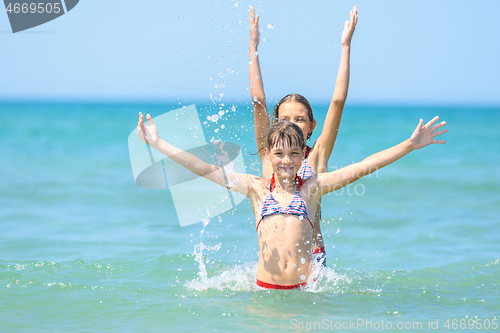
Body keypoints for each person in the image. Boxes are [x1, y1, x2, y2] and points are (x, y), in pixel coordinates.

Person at [137, 112, 447, 290]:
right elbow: (202, 167)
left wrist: (409, 144)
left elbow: (364, 166)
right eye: (279, 154)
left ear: (303, 156)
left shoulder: (312, 190)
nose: (287, 160)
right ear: (269, 156)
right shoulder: (257, 190)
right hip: (265, 291)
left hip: (303, 293)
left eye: (294, 154)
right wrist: (157, 142)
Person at [249, 6, 358, 264]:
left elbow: (338, 101)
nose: (293, 125)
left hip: (313, 259)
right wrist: (253, 48)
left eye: (300, 119)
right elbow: (257, 101)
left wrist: (345, 46)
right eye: (285, 119)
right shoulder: (269, 156)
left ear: (311, 126)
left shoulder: (317, 156)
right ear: (275, 124)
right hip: (273, 263)